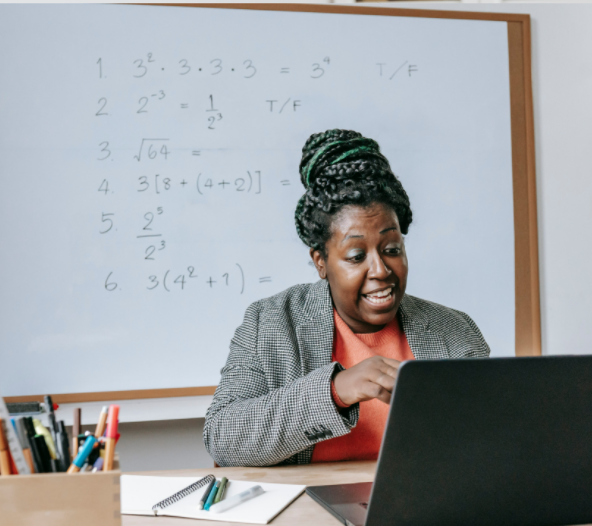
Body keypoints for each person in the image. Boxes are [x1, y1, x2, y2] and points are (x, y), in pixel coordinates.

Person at [203, 129, 490, 467]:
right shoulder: (271, 322)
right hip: (304, 514)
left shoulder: (453, 331)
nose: (381, 269)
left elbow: (492, 437)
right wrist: (335, 391)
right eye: (356, 256)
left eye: (392, 249)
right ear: (321, 262)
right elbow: (222, 436)